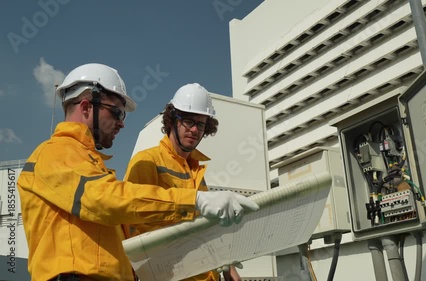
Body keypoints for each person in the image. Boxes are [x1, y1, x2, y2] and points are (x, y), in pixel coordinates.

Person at [17, 64, 259, 281]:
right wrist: (195, 201)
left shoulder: (89, 162)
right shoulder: (55, 153)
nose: (122, 123)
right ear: (86, 107)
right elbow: (105, 199)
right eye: (117, 112)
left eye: (202, 124)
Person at [124, 83, 243, 281]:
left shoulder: (196, 170)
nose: (195, 130)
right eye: (188, 121)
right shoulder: (147, 162)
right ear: (172, 120)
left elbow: (208, 227)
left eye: (201, 124)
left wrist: (227, 267)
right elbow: (132, 228)